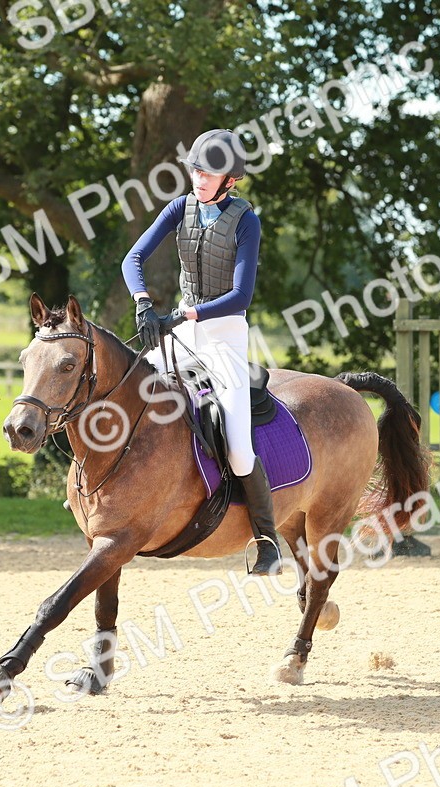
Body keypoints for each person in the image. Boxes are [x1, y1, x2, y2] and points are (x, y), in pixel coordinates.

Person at [120, 128, 281, 575]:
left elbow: (240, 296)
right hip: (180, 329)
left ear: (231, 178)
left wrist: (186, 315)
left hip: (224, 336)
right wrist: (144, 304)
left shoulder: (246, 221)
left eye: (209, 171)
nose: (200, 177)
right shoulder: (180, 208)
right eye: (196, 168)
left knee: (240, 450)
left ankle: (267, 541)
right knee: (125, 387)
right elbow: (132, 260)